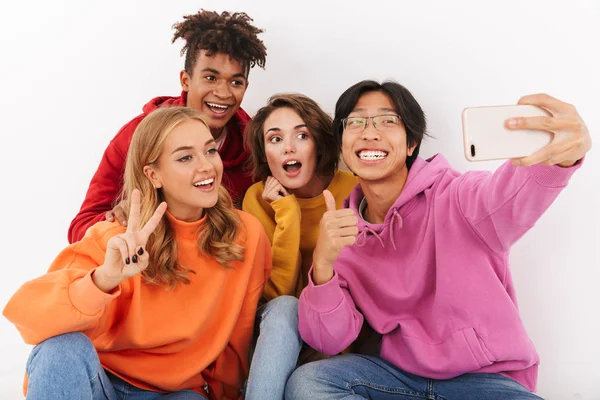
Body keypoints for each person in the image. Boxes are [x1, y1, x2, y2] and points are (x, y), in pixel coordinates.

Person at [285, 80, 592, 400]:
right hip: (398, 380)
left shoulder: (459, 198)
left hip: (484, 382)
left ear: (411, 144)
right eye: (357, 121)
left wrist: (560, 158)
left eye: (388, 121)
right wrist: (323, 264)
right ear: (343, 146)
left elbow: (510, 196)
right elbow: (328, 341)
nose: (370, 132)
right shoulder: (344, 233)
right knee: (310, 382)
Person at [4, 107, 272, 400]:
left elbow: (237, 335)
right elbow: (29, 320)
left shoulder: (245, 234)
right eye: (185, 157)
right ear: (153, 175)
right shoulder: (114, 238)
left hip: (175, 393)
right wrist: (103, 279)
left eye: (210, 151)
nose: (207, 166)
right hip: (99, 383)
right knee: (61, 349)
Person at [68, 10, 267, 243]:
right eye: (210, 78)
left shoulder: (256, 144)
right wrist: (118, 222)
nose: (223, 93)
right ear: (186, 80)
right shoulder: (137, 136)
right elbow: (80, 230)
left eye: (235, 82)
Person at [241, 93, 359, 399]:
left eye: (301, 135)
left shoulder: (353, 189)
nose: (288, 147)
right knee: (286, 308)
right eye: (275, 139)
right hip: (274, 336)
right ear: (264, 152)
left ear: (319, 142)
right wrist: (288, 214)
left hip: (336, 337)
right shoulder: (257, 199)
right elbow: (277, 295)